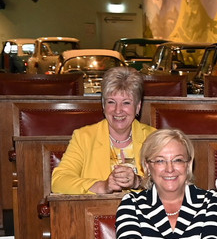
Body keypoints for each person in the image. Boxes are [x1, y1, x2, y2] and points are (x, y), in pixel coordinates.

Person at [116, 129, 217, 239]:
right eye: (160, 161)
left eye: (177, 160)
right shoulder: (131, 203)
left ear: (188, 164)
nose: (169, 169)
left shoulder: (210, 200)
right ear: (147, 166)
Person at [51, 66, 156, 194]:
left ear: (138, 107)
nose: (118, 110)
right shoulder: (83, 137)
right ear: (103, 105)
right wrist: (102, 186)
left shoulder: (154, 138)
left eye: (126, 103)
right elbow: (59, 182)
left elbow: (171, 182)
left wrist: (138, 182)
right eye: (111, 102)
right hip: (94, 212)